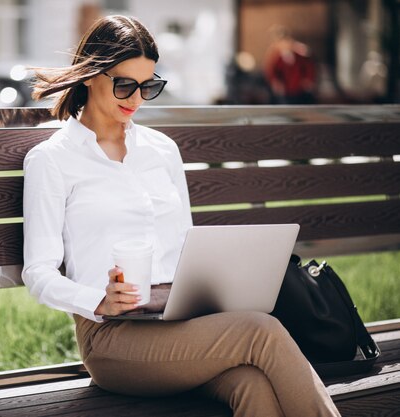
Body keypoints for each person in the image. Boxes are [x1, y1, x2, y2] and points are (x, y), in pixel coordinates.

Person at [22, 15, 340, 417]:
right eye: (124, 84)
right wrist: (98, 301)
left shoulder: (162, 150)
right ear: (90, 75)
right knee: (261, 331)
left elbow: (187, 245)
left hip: (180, 320)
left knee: (253, 385)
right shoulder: (52, 160)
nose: (136, 99)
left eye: (148, 86)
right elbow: (38, 272)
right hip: (112, 339)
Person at [264, 26, 317, 105]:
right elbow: (271, 72)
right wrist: (275, 83)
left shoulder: (299, 54)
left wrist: (308, 80)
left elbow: (309, 67)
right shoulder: (275, 57)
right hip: (284, 90)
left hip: (299, 88)